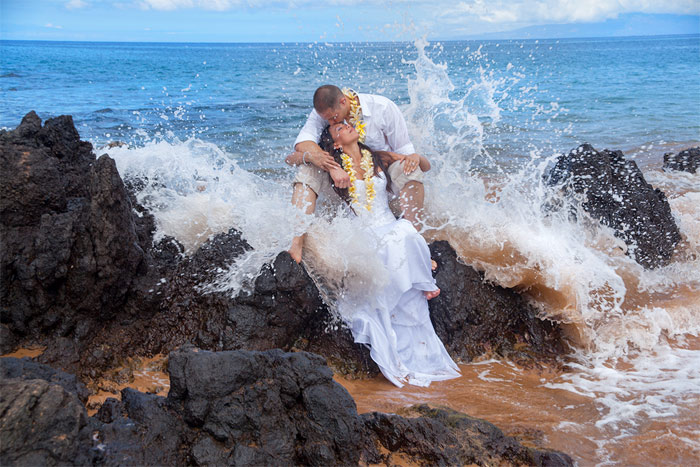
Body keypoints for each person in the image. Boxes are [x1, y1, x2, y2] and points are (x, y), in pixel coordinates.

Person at [303, 121, 460, 388]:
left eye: (346, 123)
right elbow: (294, 158)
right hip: (363, 229)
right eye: (338, 128)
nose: (346, 126)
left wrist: (414, 157)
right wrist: (329, 165)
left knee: (407, 232)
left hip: (388, 222)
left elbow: (425, 166)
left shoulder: (377, 156)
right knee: (394, 241)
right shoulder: (335, 166)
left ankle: (425, 281)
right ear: (336, 144)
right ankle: (421, 277)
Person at [286, 85, 427, 264]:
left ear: (343, 101)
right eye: (328, 121)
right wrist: (331, 167)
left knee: (409, 168)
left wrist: (416, 159)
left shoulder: (383, 108)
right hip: (342, 185)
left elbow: (405, 154)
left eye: (334, 118)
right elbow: (301, 145)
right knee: (307, 168)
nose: (331, 123)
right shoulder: (325, 112)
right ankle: (296, 241)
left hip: (380, 177)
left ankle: (416, 241)